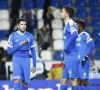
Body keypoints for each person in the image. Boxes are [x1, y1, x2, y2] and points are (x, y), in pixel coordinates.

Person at [7, 18, 36, 90]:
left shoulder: (30, 36)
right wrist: (19, 45)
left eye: (25, 24)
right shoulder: (12, 36)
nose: (23, 26)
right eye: (22, 24)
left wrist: (34, 65)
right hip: (17, 60)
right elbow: (9, 51)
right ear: (17, 26)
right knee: (17, 81)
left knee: (25, 82)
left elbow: (33, 51)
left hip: (26, 60)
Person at [60, 5, 79, 90]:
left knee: (73, 81)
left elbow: (75, 34)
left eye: (62, 11)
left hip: (72, 57)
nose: (61, 13)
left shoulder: (70, 23)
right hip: (67, 58)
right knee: (63, 81)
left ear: (67, 14)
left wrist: (67, 48)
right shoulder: (67, 24)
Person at [76, 19, 95, 90]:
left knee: (84, 81)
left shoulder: (85, 35)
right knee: (78, 81)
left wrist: (85, 57)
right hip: (77, 62)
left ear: (80, 27)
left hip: (84, 61)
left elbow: (92, 45)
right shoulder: (74, 37)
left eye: (76, 25)